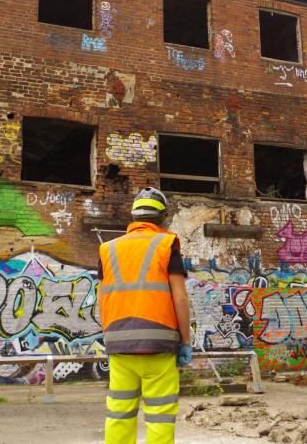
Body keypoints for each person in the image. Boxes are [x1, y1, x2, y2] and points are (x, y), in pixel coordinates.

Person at [99, 187, 193, 444]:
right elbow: (180, 297)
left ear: (134, 216)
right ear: (163, 217)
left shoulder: (107, 249)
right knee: (160, 414)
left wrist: (109, 337)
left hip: (119, 344)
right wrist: (185, 341)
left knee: (119, 412)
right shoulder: (166, 244)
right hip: (158, 344)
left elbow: (102, 297)